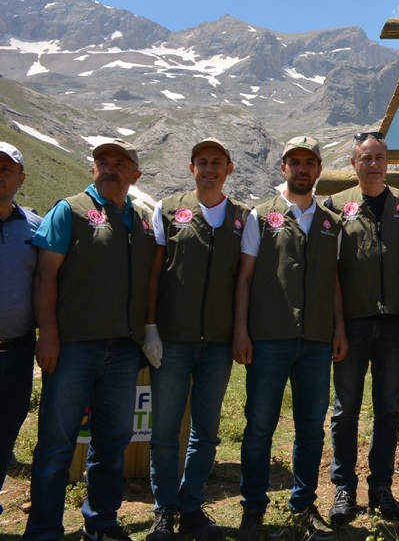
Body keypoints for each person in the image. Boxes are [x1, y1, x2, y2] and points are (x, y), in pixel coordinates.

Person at [24, 139, 157, 541]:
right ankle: (44, 529)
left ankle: (101, 522)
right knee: (56, 442)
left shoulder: (143, 218)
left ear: (136, 175)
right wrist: (48, 334)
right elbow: (46, 274)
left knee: (112, 443)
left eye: (120, 162)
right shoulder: (71, 210)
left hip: (122, 348)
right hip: (74, 347)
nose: (110, 168)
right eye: (103, 161)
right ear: (93, 168)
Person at [232, 136, 347, 541]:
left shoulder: (331, 221)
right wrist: (241, 330)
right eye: (294, 162)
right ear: (283, 168)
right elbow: (244, 278)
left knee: (310, 428)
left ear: (318, 169)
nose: (302, 169)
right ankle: (253, 509)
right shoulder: (260, 215)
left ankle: (303, 504)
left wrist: (338, 327)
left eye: (309, 162)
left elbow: (333, 280)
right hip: (268, 338)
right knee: (259, 425)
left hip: (315, 340)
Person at [142, 139, 249, 541]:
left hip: (218, 344)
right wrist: (150, 326)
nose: (209, 168)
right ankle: (163, 511)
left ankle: (191, 506)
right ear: (191, 169)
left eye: (217, 162)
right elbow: (153, 274)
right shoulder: (168, 209)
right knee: (166, 430)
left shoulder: (243, 217)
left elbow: (244, 280)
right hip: (172, 340)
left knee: (206, 432)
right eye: (202, 162)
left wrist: (240, 330)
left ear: (229, 168)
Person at [322, 131, 399, 522]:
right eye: (365, 157)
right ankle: (344, 487)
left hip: (393, 324)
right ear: (353, 162)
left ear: (387, 160)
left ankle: (382, 485)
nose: (372, 163)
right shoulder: (335, 207)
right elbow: (331, 274)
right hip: (352, 324)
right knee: (345, 410)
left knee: (388, 409)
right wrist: (337, 325)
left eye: (378, 156)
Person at [0, 143, 41, 517]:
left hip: (17, 350)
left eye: (6, 169)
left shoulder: (35, 227)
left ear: (21, 179)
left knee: (6, 429)